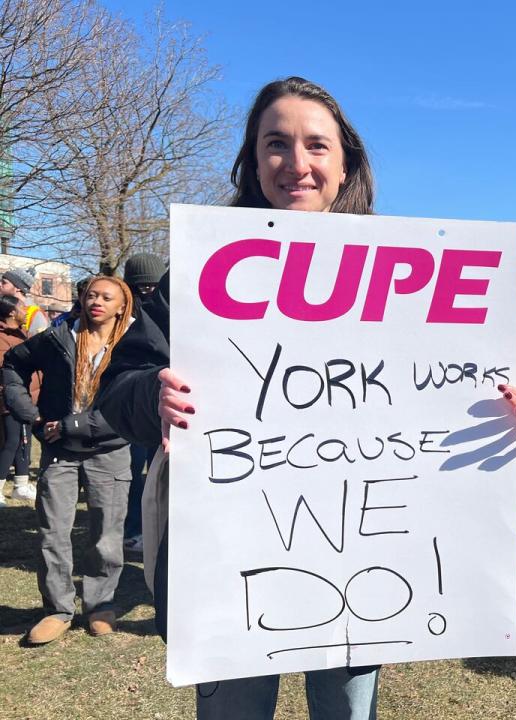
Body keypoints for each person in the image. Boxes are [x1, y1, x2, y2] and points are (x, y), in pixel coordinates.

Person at [96, 77, 380, 720]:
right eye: (276, 144)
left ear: (346, 163)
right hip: (228, 549)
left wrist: (500, 410)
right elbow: (120, 386)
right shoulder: (203, 265)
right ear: (252, 162)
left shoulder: (393, 270)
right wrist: (153, 394)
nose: (297, 163)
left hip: (363, 551)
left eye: (317, 145)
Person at [2, 276, 133, 644]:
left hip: (109, 449)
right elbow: (13, 364)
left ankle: (100, 605)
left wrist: (80, 424)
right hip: (60, 451)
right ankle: (57, 609)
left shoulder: (132, 345)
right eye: (92, 295)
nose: (97, 302)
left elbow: (135, 399)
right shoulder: (61, 337)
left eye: (107, 297)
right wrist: (30, 413)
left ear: (122, 305)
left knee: (107, 535)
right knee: (52, 531)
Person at [120, 252, 166, 554]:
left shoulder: (169, 312)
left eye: (154, 286)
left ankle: (157, 531)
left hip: (167, 409)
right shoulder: (120, 316)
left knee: (160, 474)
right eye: (141, 287)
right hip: (134, 405)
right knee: (132, 473)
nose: (148, 292)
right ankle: (133, 530)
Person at [0, 296, 39, 505]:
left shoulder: (21, 335)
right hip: (10, 399)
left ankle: (20, 486)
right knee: (11, 442)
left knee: (24, 442)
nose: (26, 310)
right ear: (12, 313)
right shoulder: (3, 338)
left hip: (27, 397)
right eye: (22, 307)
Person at [0, 266, 49, 337]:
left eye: (4, 283)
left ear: (18, 288)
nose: (0, 284)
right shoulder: (3, 305)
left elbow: (38, 343)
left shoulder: (35, 314)